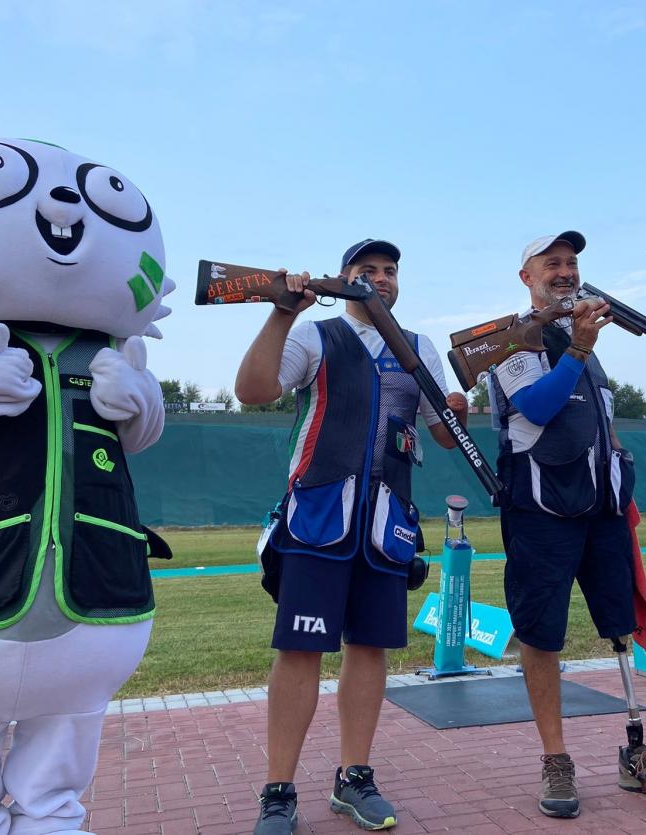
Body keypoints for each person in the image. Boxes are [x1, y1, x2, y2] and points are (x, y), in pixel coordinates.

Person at [235, 239, 469, 834]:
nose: (383, 279)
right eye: (369, 270)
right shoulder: (317, 334)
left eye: (391, 271)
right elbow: (253, 390)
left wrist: (457, 413)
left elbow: (443, 436)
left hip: (389, 524)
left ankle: (354, 778)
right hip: (317, 517)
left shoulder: (420, 348)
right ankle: (278, 791)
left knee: (370, 651)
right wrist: (281, 309)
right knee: (301, 650)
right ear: (344, 280)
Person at [487, 231, 646, 818]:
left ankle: (635, 751)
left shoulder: (584, 337)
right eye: (551, 263)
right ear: (525, 276)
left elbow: (602, 425)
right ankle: (556, 760)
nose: (564, 272)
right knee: (540, 634)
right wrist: (579, 348)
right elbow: (535, 407)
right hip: (540, 514)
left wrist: (620, 477)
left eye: (571, 263)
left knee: (619, 624)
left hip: (602, 512)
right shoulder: (509, 338)